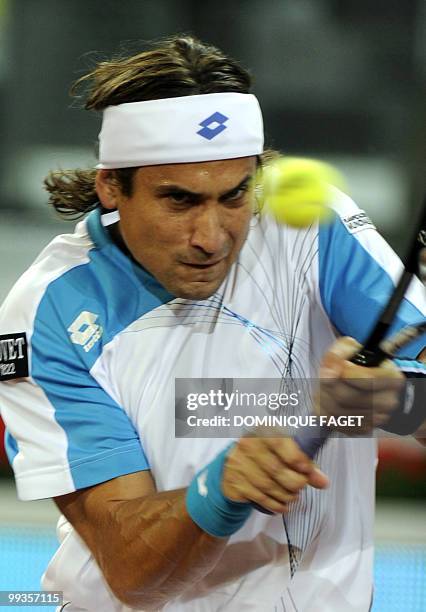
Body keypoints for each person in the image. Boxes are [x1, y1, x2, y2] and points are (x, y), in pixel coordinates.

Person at [0, 35, 425, 612]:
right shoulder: (45, 312)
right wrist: (222, 488)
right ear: (111, 188)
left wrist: (400, 403)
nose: (212, 238)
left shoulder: (312, 234)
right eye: (179, 201)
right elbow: (134, 575)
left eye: (234, 196)